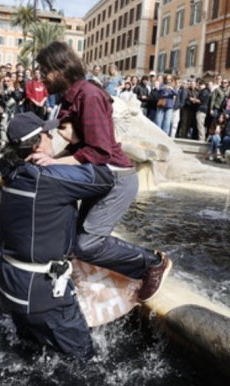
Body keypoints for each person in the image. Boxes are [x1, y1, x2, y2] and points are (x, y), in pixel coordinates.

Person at [33, 41, 171, 303]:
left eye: (44, 70)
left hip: (116, 179)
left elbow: (98, 151)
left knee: (87, 245)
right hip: (98, 178)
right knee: (77, 241)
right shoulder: (71, 97)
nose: (41, 77)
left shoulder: (90, 96)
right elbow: (82, 148)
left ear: (61, 68)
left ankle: (152, 263)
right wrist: (49, 158)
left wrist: (53, 162)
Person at [0, 112, 114, 361]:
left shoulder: (8, 169)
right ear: (37, 145)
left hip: (10, 285)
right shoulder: (48, 178)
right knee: (83, 363)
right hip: (44, 293)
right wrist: (67, 158)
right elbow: (104, 178)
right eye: (48, 134)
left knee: (29, 355)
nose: (52, 136)